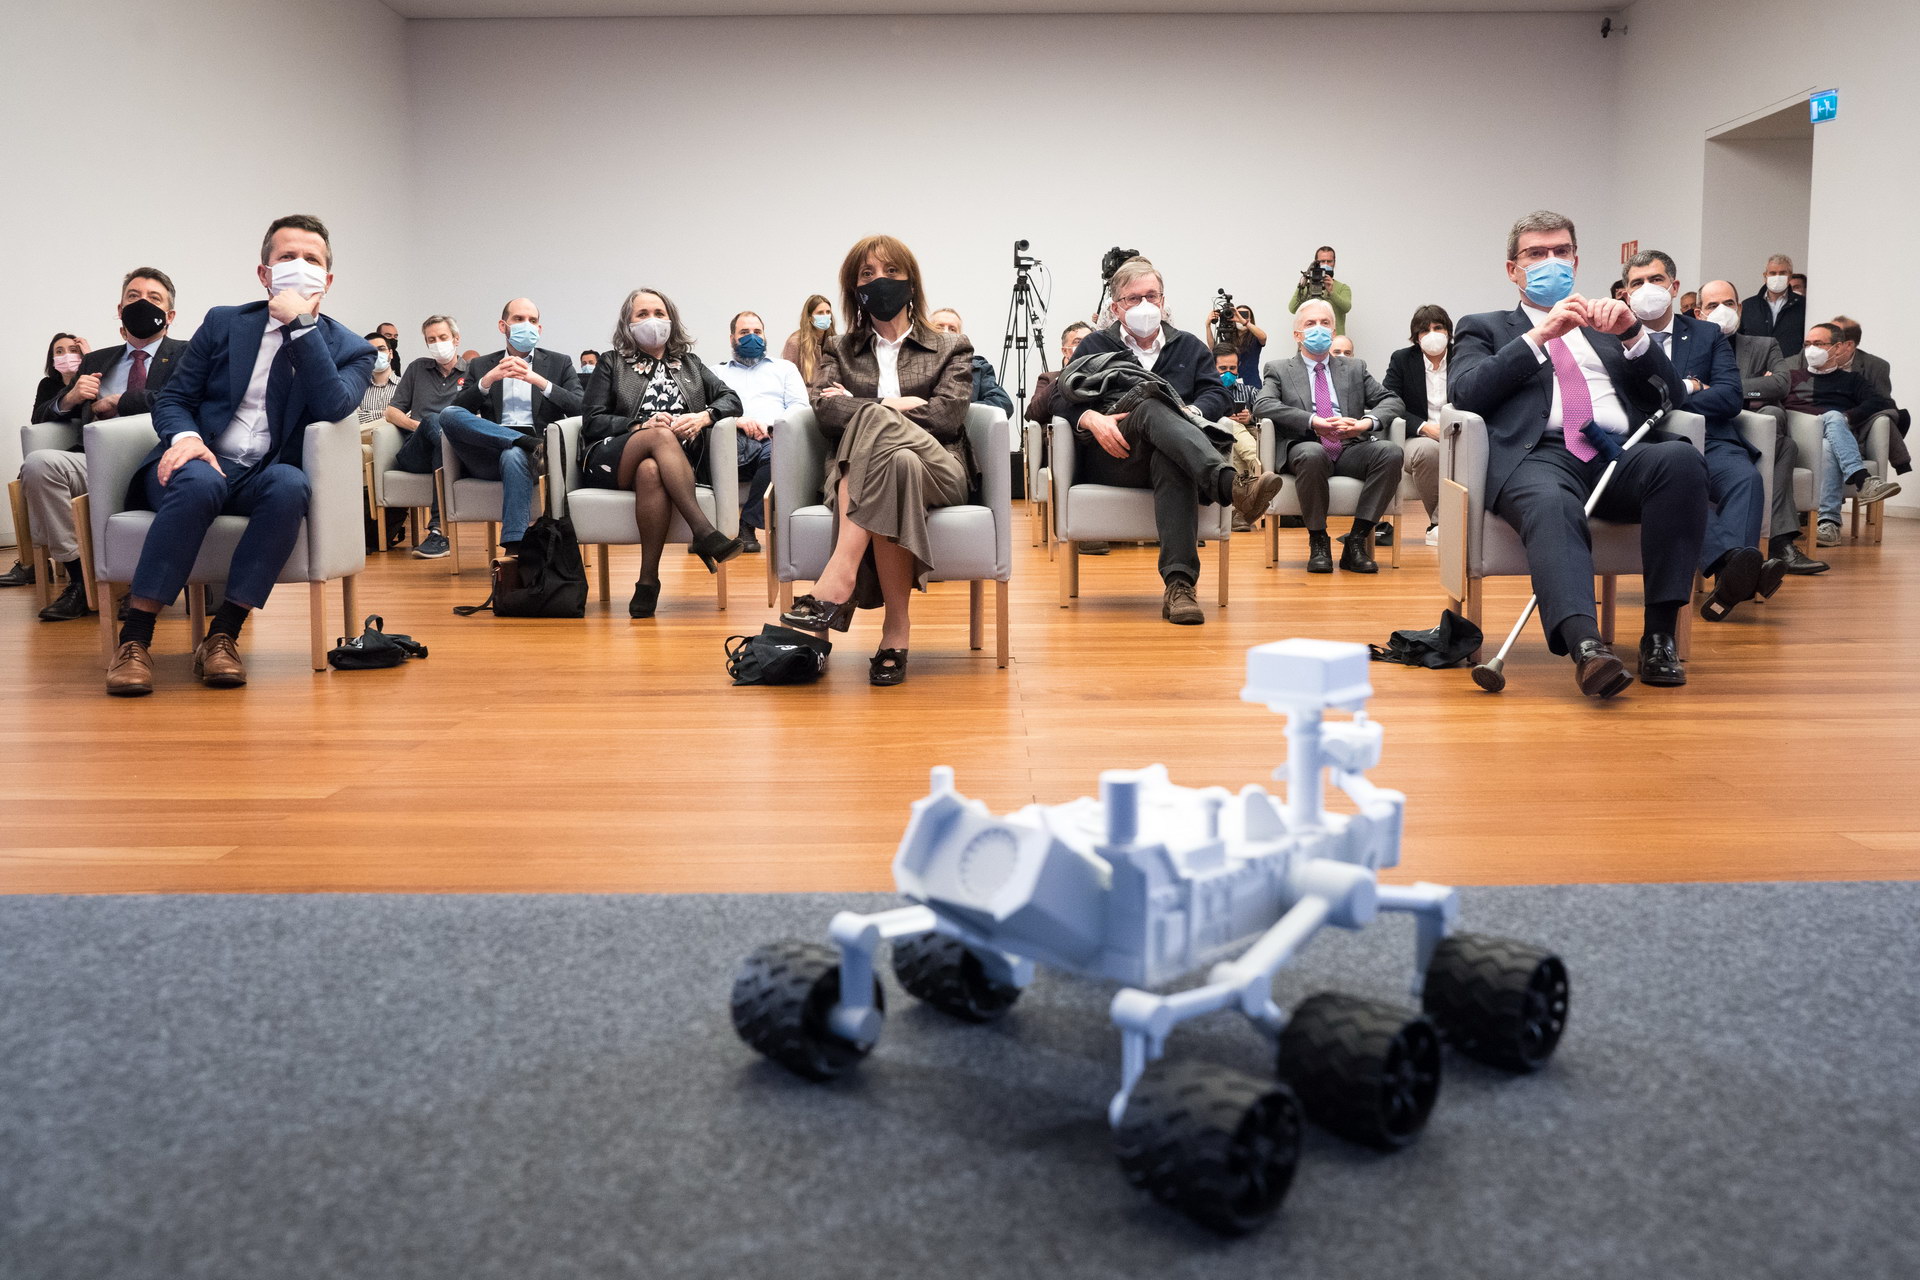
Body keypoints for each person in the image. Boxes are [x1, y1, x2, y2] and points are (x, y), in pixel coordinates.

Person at [104, 214, 372, 696]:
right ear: (263, 272)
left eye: (311, 260)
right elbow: (174, 399)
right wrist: (184, 438)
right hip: (193, 465)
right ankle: (135, 639)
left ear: (327, 280)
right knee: (201, 478)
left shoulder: (352, 348)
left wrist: (302, 326)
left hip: (262, 477)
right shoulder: (224, 322)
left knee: (292, 485)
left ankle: (223, 634)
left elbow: (334, 404)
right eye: (286, 256)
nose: (298, 266)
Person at [1449, 209, 1698, 699]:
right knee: (1551, 504)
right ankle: (1588, 648)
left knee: (1681, 460)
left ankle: (1659, 636)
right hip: (1540, 456)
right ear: (1511, 269)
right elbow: (1465, 394)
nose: (1551, 261)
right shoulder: (1485, 327)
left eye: (1561, 252)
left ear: (1577, 260)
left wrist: (1632, 335)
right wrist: (1539, 337)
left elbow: (1673, 396)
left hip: (1619, 453)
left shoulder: (1607, 326)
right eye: (1536, 254)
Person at [777, 234, 979, 680]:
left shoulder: (952, 346)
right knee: (896, 463)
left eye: (891, 271)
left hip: (942, 469)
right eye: (867, 274)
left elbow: (946, 419)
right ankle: (895, 629)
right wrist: (891, 404)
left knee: (872, 420)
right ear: (854, 289)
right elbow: (826, 413)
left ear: (911, 283)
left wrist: (866, 407)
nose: (879, 281)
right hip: (890, 471)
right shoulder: (839, 348)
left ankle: (838, 577)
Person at [1051, 257, 1283, 625]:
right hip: (1114, 456)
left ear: (1163, 300)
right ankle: (1231, 486)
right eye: (1133, 298)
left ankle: (1180, 588)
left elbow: (1217, 394)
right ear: (1115, 307)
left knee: (1169, 451)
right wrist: (1089, 417)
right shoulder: (1096, 343)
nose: (1145, 305)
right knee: (1149, 404)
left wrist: (1191, 411)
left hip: (1176, 454)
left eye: (1152, 296)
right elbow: (1056, 396)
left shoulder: (1188, 346)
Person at [1623, 250, 1783, 621]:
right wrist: (1690, 386)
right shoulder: (1613, 338)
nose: (1647, 288)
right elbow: (1626, 403)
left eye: (1656, 279)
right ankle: (1738, 573)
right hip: (1649, 445)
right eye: (1637, 282)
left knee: (1746, 480)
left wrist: (1669, 402)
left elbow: (1729, 396)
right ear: (1626, 294)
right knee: (1679, 487)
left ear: (1675, 287)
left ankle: (1730, 579)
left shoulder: (1706, 333)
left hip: (1713, 439)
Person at [21, 271, 189, 622]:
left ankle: (145, 584)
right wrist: (69, 398)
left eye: (154, 298)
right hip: (93, 460)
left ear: (170, 315)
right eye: (133, 296)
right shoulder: (96, 359)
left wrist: (120, 402)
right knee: (38, 464)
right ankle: (82, 580)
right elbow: (41, 415)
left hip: (153, 461)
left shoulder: (187, 354)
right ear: (120, 308)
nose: (142, 303)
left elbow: (185, 400)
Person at [579, 287, 744, 618]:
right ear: (628, 323)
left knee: (651, 471)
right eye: (642, 314)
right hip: (614, 455)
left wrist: (704, 417)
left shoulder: (690, 364)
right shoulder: (612, 362)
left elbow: (732, 399)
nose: (652, 320)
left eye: (659, 313)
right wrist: (639, 425)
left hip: (674, 464)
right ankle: (703, 532)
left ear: (671, 320)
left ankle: (648, 581)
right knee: (659, 435)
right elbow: (592, 420)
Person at [1251, 298, 1405, 575]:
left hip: (1350, 447)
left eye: (1325, 324)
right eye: (1310, 324)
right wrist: (1312, 421)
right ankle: (1318, 541)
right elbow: (1262, 405)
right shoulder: (1279, 369)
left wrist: (1364, 424)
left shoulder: (1355, 368)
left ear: (1333, 332)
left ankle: (1356, 542)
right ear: (1297, 335)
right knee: (1313, 453)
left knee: (1391, 453)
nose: (1318, 329)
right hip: (1305, 446)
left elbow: (1391, 400)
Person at [1692, 281, 1825, 576]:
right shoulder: (1692, 347)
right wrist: (1750, 388)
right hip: (1713, 431)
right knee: (1786, 446)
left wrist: (1723, 389)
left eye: (1728, 303)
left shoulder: (1765, 345)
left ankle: (1748, 554)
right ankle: (1777, 543)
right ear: (1699, 314)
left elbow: (1780, 383)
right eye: (1713, 306)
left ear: (1739, 308)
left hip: (1756, 427)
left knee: (1773, 415)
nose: (1722, 311)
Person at [438, 298, 583, 558]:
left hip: (539, 454)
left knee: (514, 453)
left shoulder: (559, 363)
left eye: (532, 320)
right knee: (448, 414)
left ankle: (514, 552)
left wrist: (537, 380)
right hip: (489, 448)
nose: (526, 325)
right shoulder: (482, 365)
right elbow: (460, 410)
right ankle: (522, 442)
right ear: (503, 326)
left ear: (539, 329)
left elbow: (580, 408)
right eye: (518, 319)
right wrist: (487, 380)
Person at [1780, 322, 1901, 547]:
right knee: (1833, 416)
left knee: (1828, 442)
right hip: (1800, 436)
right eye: (1807, 344)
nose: (1811, 350)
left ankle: (1829, 525)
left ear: (1837, 348)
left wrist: (1848, 417)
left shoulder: (1852, 380)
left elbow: (1881, 402)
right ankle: (1863, 479)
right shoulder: (1791, 376)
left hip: (1833, 439)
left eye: (1818, 344)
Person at [5, 335, 94, 590]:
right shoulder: (48, 385)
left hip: (81, 454)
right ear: (52, 359)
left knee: (38, 472)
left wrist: (86, 366)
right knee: (28, 477)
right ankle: (32, 561)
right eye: (59, 351)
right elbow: (38, 417)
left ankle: (43, 566)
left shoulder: (95, 376)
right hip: (57, 454)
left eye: (73, 350)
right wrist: (70, 393)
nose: (66, 354)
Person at [713, 310, 800, 551]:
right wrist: (736, 420)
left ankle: (746, 525)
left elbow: (800, 408)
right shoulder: (717, 373)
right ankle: (707, 533)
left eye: (757, 332)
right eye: (744, 333)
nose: (752, 337)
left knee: (778, 453)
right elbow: (705, 409)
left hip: (771, 439)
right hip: (729, 440)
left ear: (765, 336)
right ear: (732, 338)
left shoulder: (785, 369)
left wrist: (773, 427)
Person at [383, 315, 469, 558]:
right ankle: (438, 530)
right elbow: (391, 411)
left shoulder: (472, 372)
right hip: (415, 451)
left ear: (456, 339)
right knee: (435, 421)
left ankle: (437, 533)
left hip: (451, 450)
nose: (437, 343)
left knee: (442, 442)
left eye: (442, 337)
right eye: (431, 339)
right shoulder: (417, 368)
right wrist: (419, 426)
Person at [1383, 304, 1455, 544]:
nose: (1432, 334)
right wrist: (1424, 427)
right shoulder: (1402, 359)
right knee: (1428, 451)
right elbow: (1390, 402)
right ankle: (1440, 523)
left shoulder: (1464, 356)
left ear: (1448, 331)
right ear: (1416, 337)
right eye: (1425, 330)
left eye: (1438, 327)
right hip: (1418, 437)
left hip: (1460, 434)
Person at [1211, 343, 1263, 529]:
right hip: (1219, 438)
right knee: (1231, 426)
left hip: (1249, 434)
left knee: (1236, 443)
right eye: (1223, 368)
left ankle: (1239, 512)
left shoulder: (1249, 391)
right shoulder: (1206, 392)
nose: (1228, 373)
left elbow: (1268, 412)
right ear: (1212, 367)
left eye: (1232, 368)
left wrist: (1250, 418)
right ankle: (1259, 468)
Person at [927, 308, 1014, 414]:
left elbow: (1003, 403)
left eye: (952, 329)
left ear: (960, 336)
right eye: (939, 327)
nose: (946, 332)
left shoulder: (979, 368)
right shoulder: (914, 364)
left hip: (965, 429)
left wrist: (960, 409)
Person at [1024, 321, 1090, 429]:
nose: (1085, 346)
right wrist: (1064, 376)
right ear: (1065, 351)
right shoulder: (1048, 378)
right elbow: (1032, 414)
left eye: (1089, 341)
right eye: (1078, 342)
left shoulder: (1104, 375)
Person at [1740, 254, 1806, 356]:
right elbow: (1739, 339)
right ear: (1765, 276)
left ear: (1790, 277)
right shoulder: (1748, 306)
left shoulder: (1802, 305)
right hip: (1754, 368)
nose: (1777, 277)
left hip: (1789, 367)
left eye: (1782, 273)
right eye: (1773, 273)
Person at [1288, 246, 1351, 335]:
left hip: (1335, 341)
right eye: (1322, 261)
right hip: (1311, 340)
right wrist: (1301, 286)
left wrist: (1331, 292)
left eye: (1329, 261)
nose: (1326, 264)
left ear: (1334, 263)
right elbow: (1292, 308)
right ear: (1316, 263)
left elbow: (1346, 307)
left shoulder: (1343, 287)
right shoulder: (1307, 286)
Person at [782, 294, 836, 383]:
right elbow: (788, 380)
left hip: (830, 394)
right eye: (820, 313)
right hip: (805, 395)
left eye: (828, 312)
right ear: (810, 317)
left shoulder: (833, 340)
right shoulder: (795, 342)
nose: (825, 316)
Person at [357, 331, 399, 423]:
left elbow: (407, 416)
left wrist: (369, 415)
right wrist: (387, 414)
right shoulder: (358, 388)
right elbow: (355, 419)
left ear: (390, 353)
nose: (377, 354)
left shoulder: (404, 386)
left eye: (381, 349)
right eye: (371, 351)